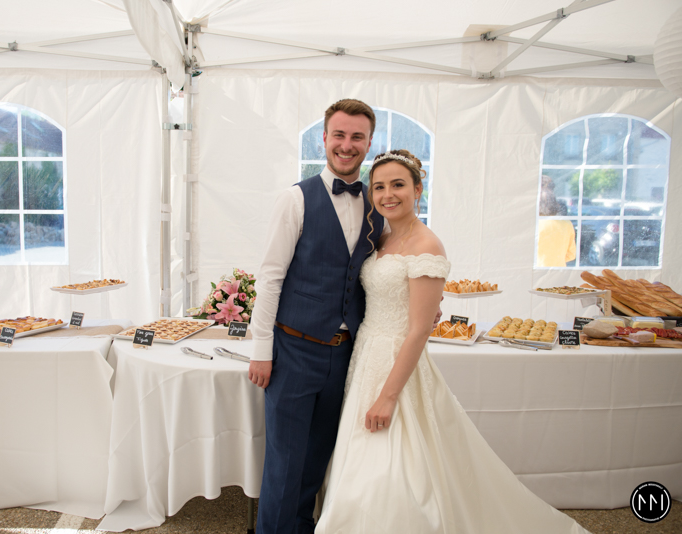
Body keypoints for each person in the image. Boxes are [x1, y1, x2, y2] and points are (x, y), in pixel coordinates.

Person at [314, 150, 590, 534]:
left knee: (391, 467)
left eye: (398, 185)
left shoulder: (427, 245)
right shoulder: (381, 238)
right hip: (365, 356)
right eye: (379, 187)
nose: (387, 194)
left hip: (397, 362)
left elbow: (419, 330)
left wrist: (389, 396)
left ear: (418, 190)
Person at [247, 98, 384, 534]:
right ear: (324, 138)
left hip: (346, 356)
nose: (347, 145)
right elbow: (270, 279)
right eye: (339, 135)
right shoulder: (295, 199)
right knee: (284, 464)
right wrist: (261, 350)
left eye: (357, 137)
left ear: (368, 143)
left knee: (317, 460)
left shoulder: (378, 206)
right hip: (293, 351)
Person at [537, 176, 577, 267]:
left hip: (535, 271)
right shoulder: (566, 224)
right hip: (559, 271)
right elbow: (571, 255)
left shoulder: (535, 225)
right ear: (556, 204)